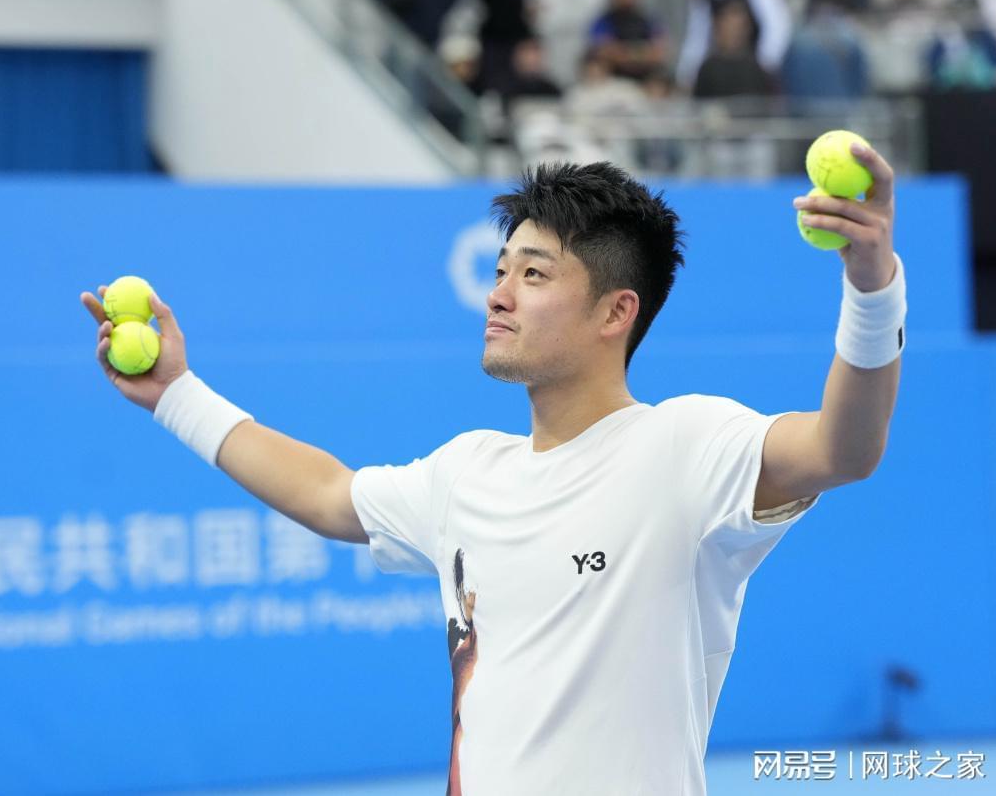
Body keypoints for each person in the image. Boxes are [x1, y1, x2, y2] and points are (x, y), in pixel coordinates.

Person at [81, 154, 907, 794]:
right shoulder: (466, 471)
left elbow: (843, 448)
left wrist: (873, 288)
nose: (499, 294)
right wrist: (176, 395)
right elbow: (328, 494)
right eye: (502, 269)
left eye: (534, 274)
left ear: (616, 311)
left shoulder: (685, 447)